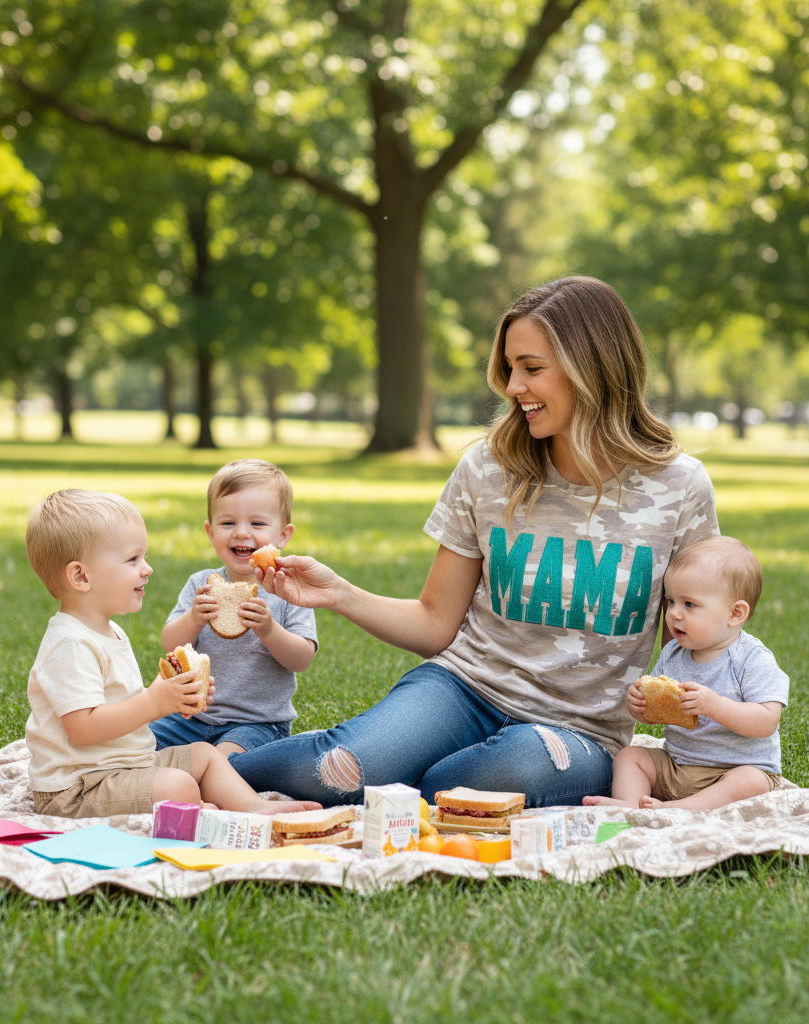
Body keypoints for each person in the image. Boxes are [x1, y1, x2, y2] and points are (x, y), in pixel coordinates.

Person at [226, 275, 720, 807]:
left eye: (531, 369)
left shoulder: (679, 487)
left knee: (483, 783)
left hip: (579, 731)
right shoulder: (487, 468)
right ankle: (200, 767)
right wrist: (339, 594)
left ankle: (402, 778)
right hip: (464, 689)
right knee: (337, 771)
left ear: (592, 369)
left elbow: (696, 639)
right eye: (510, 370)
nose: (512, 388)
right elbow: (436, 622)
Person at [23, 488, 319, 818]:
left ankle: (254, 807)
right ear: (80, 576)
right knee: (177, 786)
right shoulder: (71, 644)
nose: (147, 569)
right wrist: (155, 701)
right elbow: (84, 729)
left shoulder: (107, 631)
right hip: (78, 787)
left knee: (206, 756)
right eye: (133, 559)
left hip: (120, 764)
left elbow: (122, 701)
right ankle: (203, 811)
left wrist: (176, 693)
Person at [583, 535, 788, 810]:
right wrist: (639, 707)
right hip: (678, 765)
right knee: (629, 757)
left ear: (735, 613)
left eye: (689, 604)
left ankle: (680, 810)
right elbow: (658, 712)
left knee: (750, 781)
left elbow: (766, 722)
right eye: (670, 602)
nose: (674, 614)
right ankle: (631, 805)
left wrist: (715, 706)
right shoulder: (673, 654)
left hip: (730, 771)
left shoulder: (752, 659)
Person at [151, 460, 318, 757]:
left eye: (256, 523)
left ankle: (211, 779)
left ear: (283, 535)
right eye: (228, 523)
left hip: (258, 724)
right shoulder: (200, 583)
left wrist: (268, 630)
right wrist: (193, 619)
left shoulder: (288, 589)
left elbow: (301, 659)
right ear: (210, 531)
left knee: (225, 763)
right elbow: (171, 645)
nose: (241, 533)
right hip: (192, 716)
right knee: (137, 745)